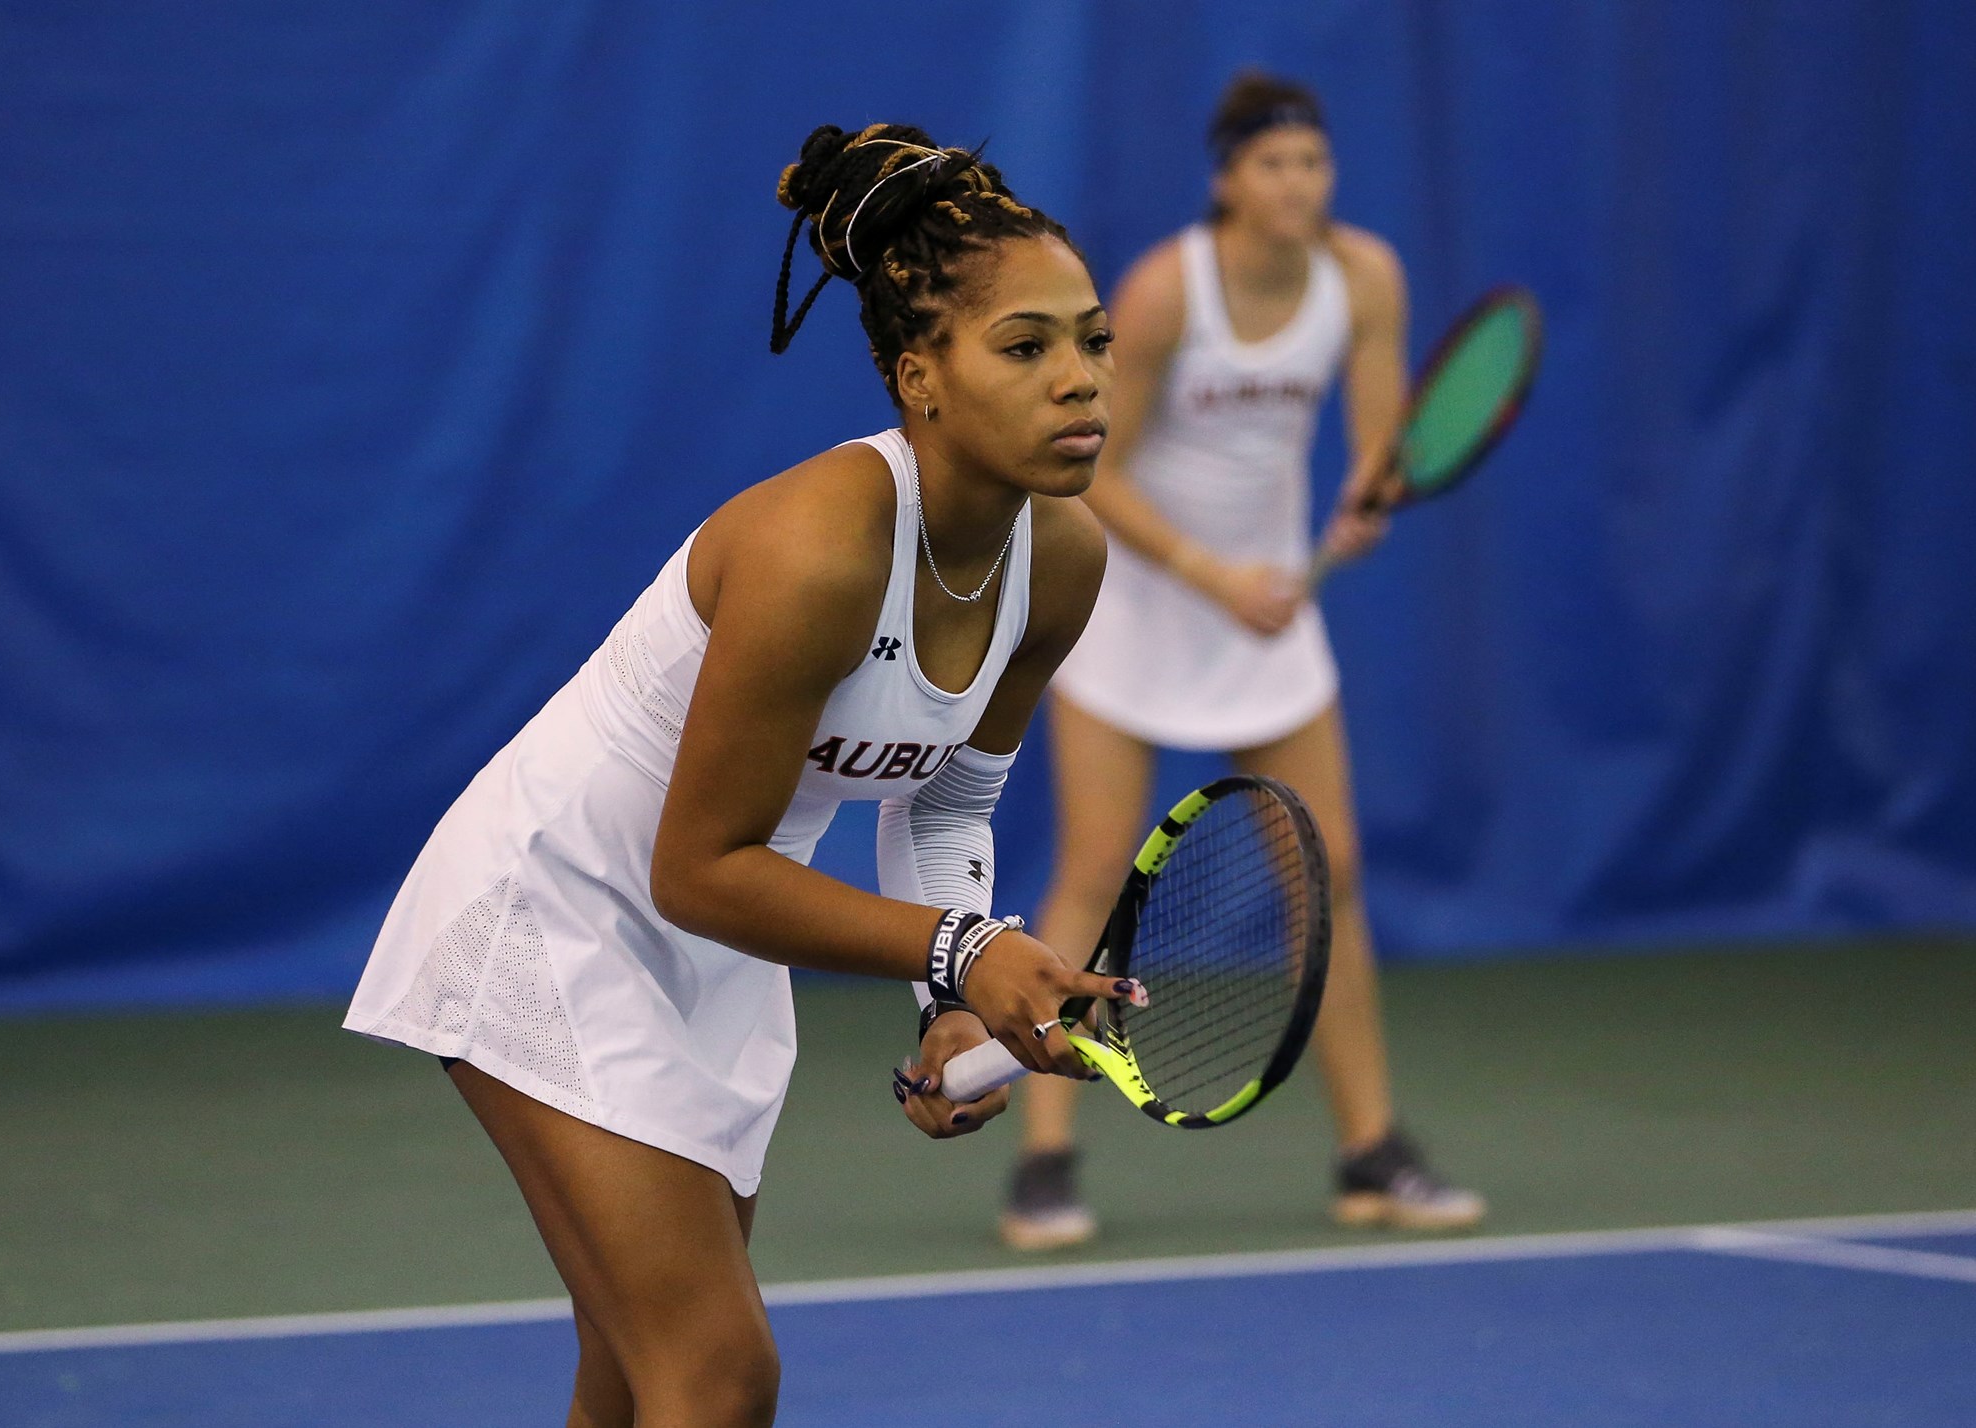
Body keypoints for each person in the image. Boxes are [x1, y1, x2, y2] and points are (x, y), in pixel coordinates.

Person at [343, 122, 1141, 1428]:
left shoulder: (1062, 560)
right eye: (1026, 346)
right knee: (716, 1373)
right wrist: (963, 948)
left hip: (714, 949)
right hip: (552, 910)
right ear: (917, 376)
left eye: (1092, 341)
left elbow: (948, 799)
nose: (1078, 381)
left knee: (639, 1372)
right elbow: (696, 864)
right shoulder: (815, 550)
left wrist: (945, 994)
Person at [997, 72, 1486, 1252]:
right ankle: (1044, 1159)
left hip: (1270, 612)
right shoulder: (1167, 291)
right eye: (1271, 166)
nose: (1296, 184)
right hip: (1141, 602)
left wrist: (1371, 494)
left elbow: (1378, 438)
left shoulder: (1363, 276)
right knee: (1094, 868)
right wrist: (1214, 578)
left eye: (1312, 164)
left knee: (1335, 874)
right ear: (1227, 182)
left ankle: (1371, 1150)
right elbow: (1087, 461)